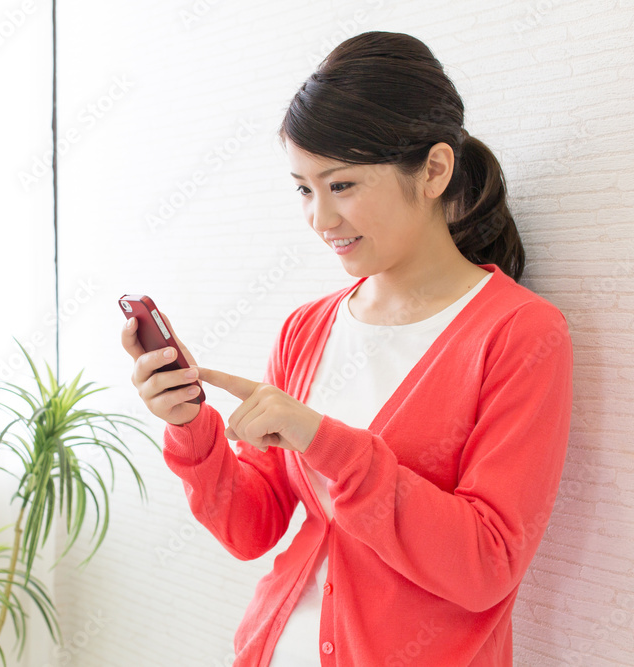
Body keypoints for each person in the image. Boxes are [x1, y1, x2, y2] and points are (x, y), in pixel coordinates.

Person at [121, 31, 573, 666]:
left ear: (435, 171)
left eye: (343, 186)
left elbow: (486, 565)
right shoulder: (305, 329)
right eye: (304, 189)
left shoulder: (519, 334)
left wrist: (323, 440)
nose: (320, 220)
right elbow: (253, 528)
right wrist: (193, 428)